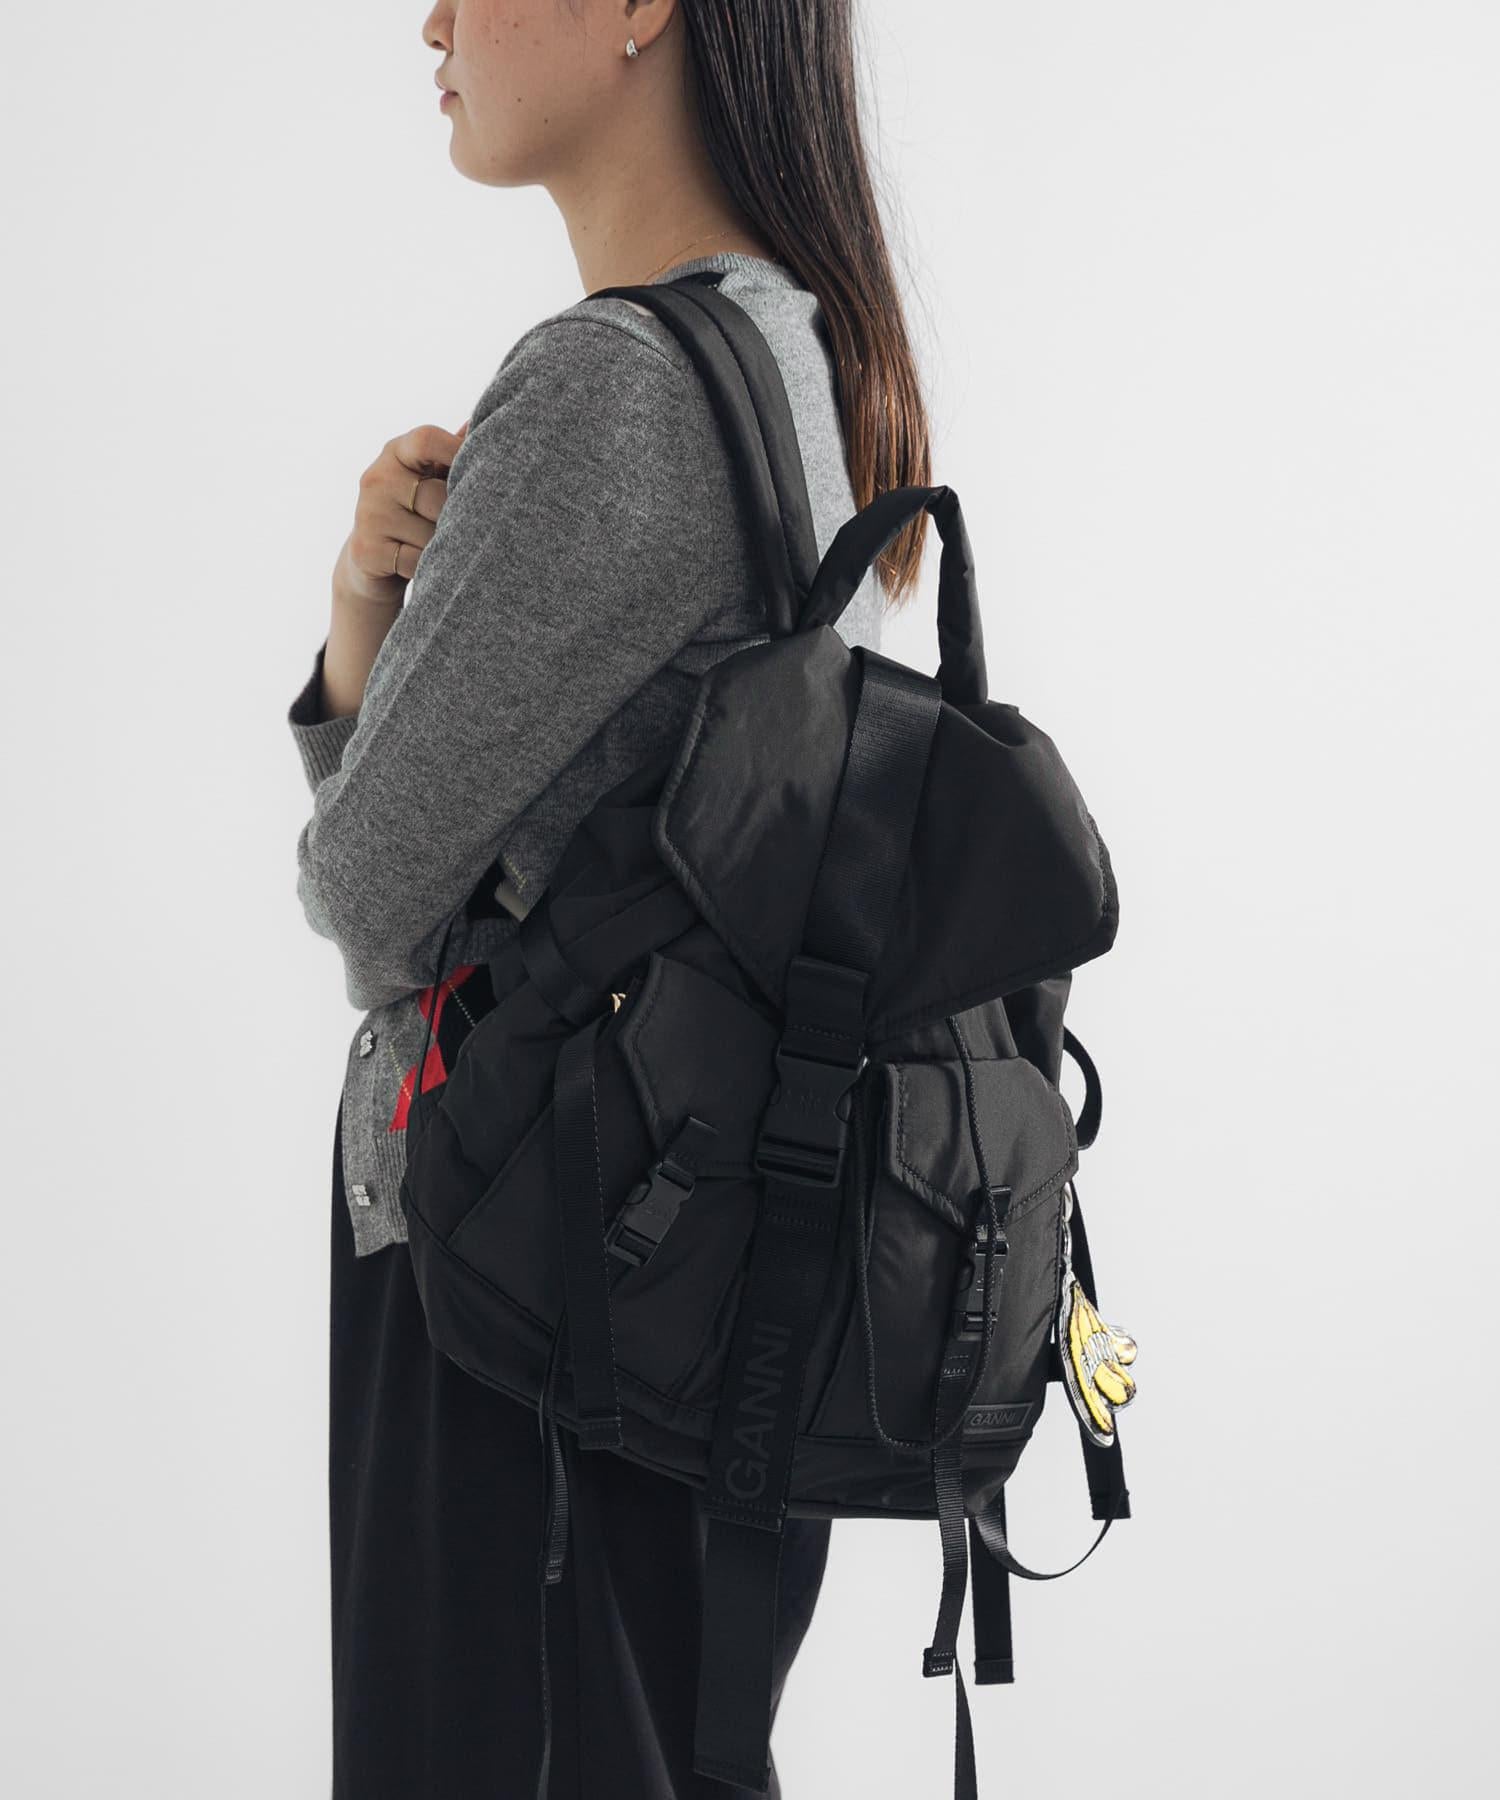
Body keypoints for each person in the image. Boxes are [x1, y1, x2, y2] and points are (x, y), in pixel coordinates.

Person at [285, 3, 933, 1794]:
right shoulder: (799, 354)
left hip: (519, 1298)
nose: (430, 17)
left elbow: (372, 897)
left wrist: (359, 650)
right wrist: (370, 614)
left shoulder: (612, 389)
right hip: (702, 1294)